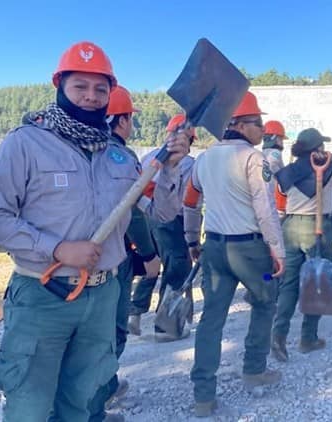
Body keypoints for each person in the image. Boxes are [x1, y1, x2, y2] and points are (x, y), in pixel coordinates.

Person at [0, 41, 189, 421]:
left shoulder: (119, 157)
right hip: (43, 293)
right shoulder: (25, 144)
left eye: (100, 89)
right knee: (30, 406)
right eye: (80, 87)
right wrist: (57, 248)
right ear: (60, 86)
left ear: (110, 94)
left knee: (83, 401)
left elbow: (160, 212)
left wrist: (171, 169)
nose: (91, 97)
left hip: (103, 298)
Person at [183, 92, 285, 417]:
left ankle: (203, 395)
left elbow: (190, 203)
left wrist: (190, 241)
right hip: (251, 250)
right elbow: (266, 210)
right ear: (240, 124)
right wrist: (277, 250)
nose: (263, 129)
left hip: (213, 248)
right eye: (258, 123)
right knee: (265, 302)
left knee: (211, 319)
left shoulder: (203, 159)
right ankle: (254, 369)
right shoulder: (256, 160)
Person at [87, 85, 162, 421]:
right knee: (111, 331)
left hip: (75, 258)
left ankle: (108, 384)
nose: (132, 126)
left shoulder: (80, 149)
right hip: (111, 259)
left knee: (85, 333)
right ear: (120, 120)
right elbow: (132, 211)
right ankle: (95, 403)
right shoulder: (120, 156)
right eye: (130, 118)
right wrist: (148, 254)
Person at [271, 128, 332, 361]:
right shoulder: (328, 171)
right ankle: (308, 337)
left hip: (290, 226)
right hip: (317, 228)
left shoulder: (289, 173)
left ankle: (278, 334)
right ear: (316, 150)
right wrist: (329, 157)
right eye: (321, 147)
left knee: (289, 284)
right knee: (317, 283)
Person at [129, 113, 196, 340]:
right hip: (172, 222)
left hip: (146, 217)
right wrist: (192, 237)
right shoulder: (186, 163)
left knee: (152, 265)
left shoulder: (149, 157)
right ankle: (166, 327)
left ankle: (134, 314)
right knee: (177, 270)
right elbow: (187, 202)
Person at [262, 120, 287, 195]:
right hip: (274, 195)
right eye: (281, 139)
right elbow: (271, 164)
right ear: (275, 138)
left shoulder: (262, 153)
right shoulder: (275, 152)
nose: (282, 142)